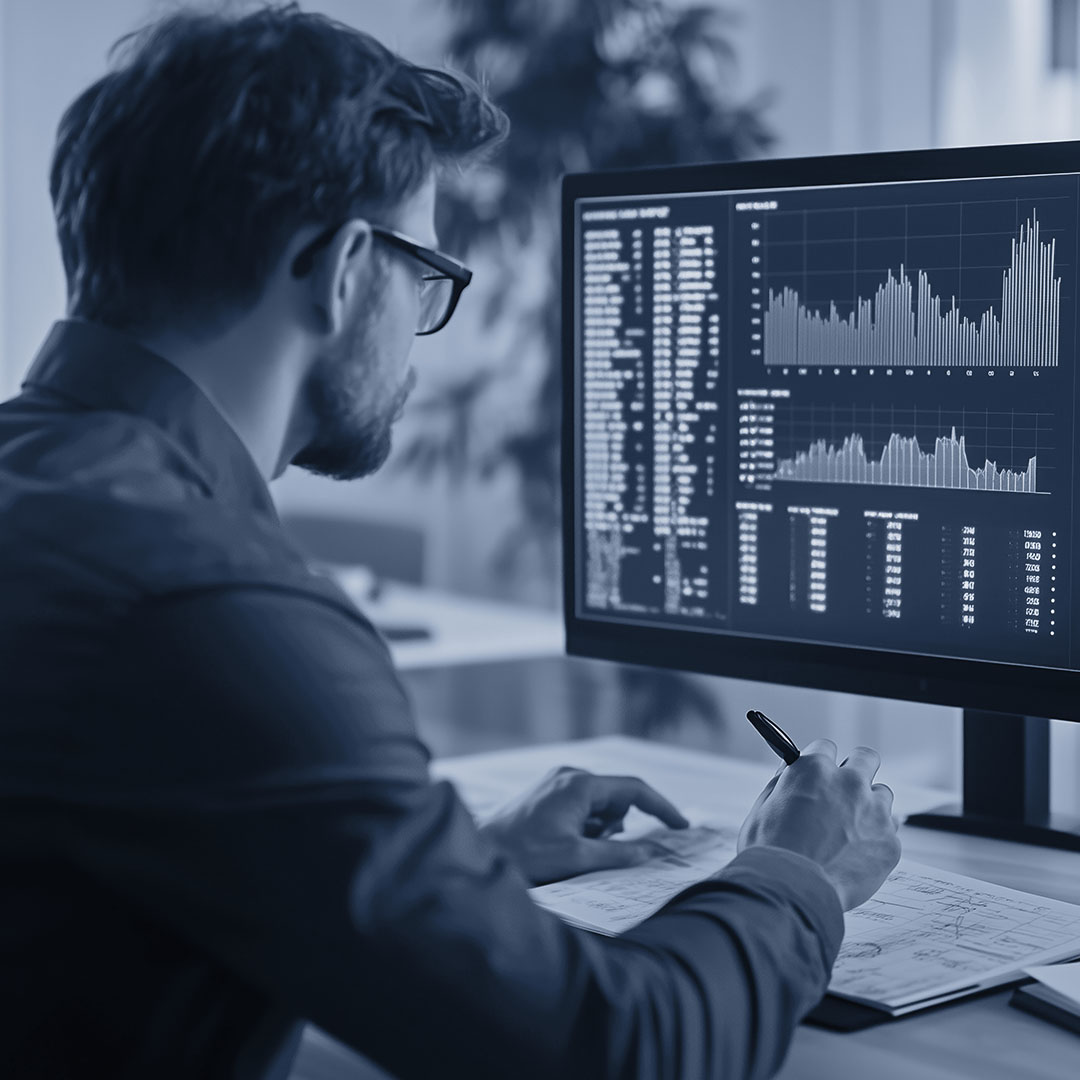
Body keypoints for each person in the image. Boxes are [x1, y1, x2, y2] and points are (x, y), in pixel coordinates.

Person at [0, 5, 901, 1079]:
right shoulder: (200, 604)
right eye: (428, 272)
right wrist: (798, 871)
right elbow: (617, 1052)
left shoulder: (52, 500)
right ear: (341, 270)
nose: (431, 316)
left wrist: (463, 868)